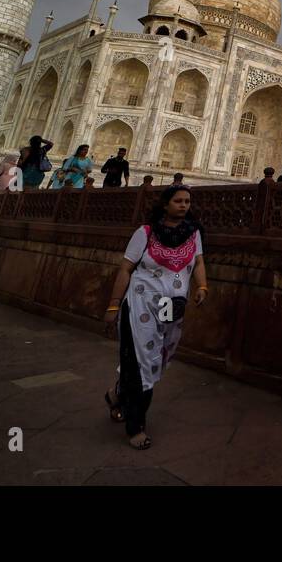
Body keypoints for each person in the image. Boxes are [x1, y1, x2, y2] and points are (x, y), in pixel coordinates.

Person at [102, 185, 208, 449]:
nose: (183, 205)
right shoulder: (145, 232)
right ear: (165, 204)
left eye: (187, 201)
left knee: (156, 361)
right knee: (142, 364)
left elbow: (199, 262)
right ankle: (136, 426)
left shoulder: (192, 233)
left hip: (172, 309)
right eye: (178, 201)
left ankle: (117, 394)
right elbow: (126, 268)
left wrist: (203, 286)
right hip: (141, 306)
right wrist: (114, 305)